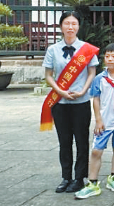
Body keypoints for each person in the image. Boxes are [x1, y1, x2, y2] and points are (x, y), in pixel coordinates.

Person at [43, 11, 99, 194]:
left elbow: (92, 72)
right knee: (64, 141)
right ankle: (66, 177)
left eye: (74, 24)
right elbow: (48, 75)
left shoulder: (87, 49)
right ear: (61, 26)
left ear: (78, 26)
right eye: (67, 23)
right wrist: (59, 91)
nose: (70, 27)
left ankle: (79, 178)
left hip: (81, 102)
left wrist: (83, 91)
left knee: (82, 141)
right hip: (60, 103)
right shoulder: (53, 49)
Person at [75, 44, 114, 199]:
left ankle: (113, 177)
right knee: (96, 151)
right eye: (107, 56)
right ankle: (92, 183)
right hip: (105, 121)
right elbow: (96, 99)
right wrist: (98, 119)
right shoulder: (100, 78)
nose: (110, 59)